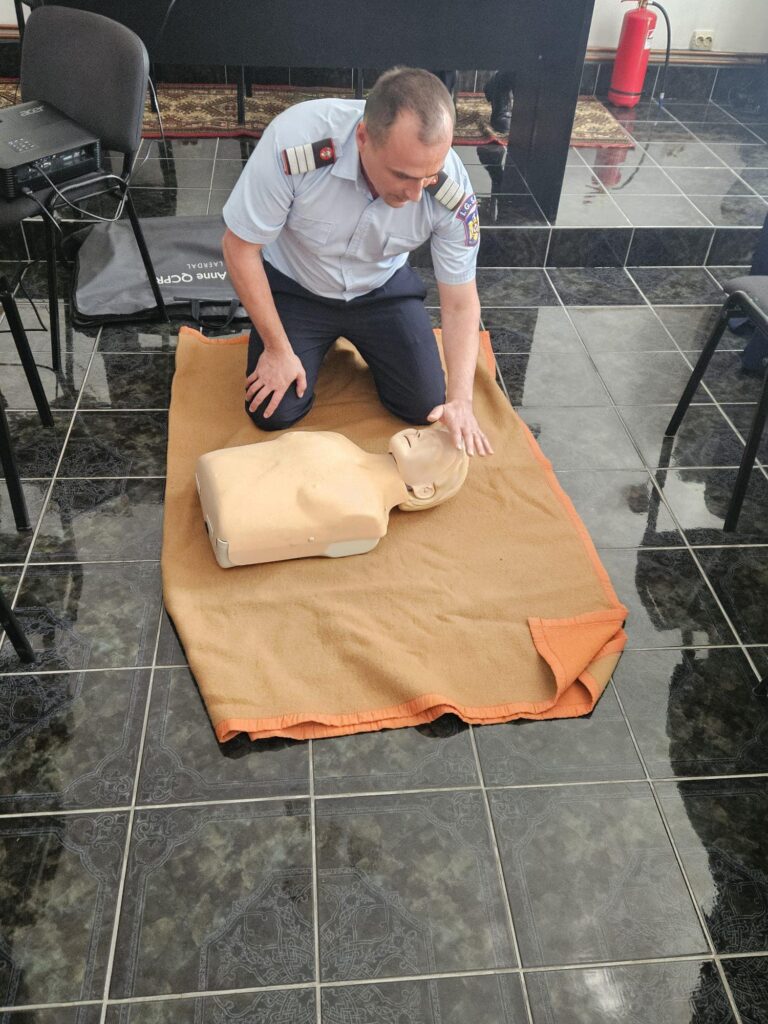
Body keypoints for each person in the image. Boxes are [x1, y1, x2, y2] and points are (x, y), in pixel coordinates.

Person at [221, 67, 492, 457]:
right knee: (273, 411)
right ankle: (299, 344)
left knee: (426, 406)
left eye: (429, 177)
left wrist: (461, 399)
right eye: (403, 175)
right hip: (299, 286)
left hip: (381, 289)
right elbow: (239, 247)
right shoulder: (296, 143)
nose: (416, 195)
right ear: (363, 138)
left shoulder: (452, 191)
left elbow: (461, 302)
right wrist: (278, 350)